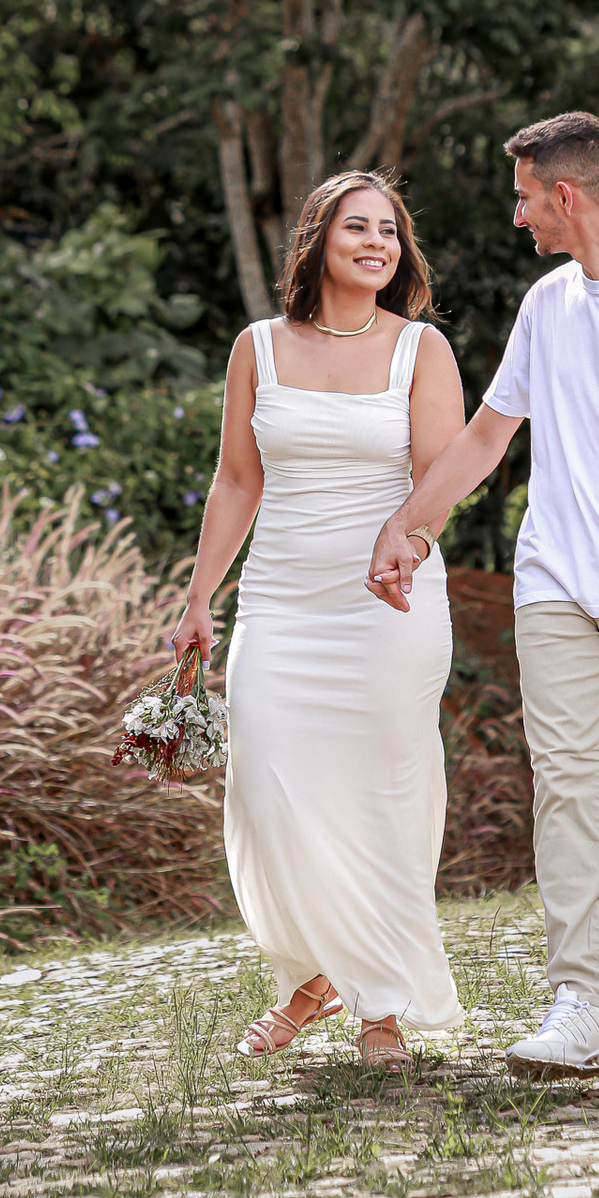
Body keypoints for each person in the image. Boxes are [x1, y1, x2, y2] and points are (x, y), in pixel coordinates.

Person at [367, 113, 599, 1079]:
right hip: (556, 585)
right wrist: (410, 526)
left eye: (526, 197)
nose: (519, 215)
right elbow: (489, 435)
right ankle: (580, 1001)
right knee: (565, 785)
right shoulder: (546, 303)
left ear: (566, 195)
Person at [174, 171, 465, 1069]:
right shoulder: (258, 347)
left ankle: (378, 1007)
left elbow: (441, 480)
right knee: (267, 798)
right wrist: (200, 596)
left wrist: (410, 542)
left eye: (389, 231)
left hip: (388, 604)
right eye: (357, 228)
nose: (376, 243)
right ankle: (313, 975)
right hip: (280, 605)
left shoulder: (421, 349)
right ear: (318, 240)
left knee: (382, 798)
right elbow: (237, 480)